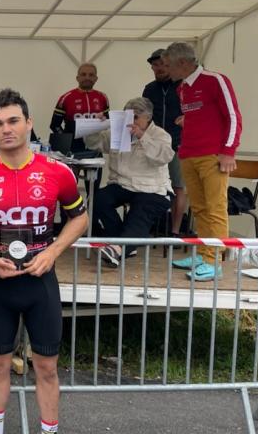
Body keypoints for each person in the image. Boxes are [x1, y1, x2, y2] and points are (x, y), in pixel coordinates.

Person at [0, 89, 88, 434]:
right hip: (0, 284)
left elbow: (79, 217)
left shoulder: (57, 171)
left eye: (13, 120)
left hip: (40, 283)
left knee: (45, 368)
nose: (6, 129)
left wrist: (53, 251)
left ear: (29, 123)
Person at [163, 42, 243, 281]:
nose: (166, 70)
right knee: (198, 208)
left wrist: (228, 151)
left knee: (215, 207)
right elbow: (203, 115)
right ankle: (203, 253)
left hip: (212, 155)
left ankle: (214, 261)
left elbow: (233, 116)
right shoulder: (182, 88)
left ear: (182, 63)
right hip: (188, 154)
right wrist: (187, 121)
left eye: (168, 65)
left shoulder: (215, 80)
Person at [84, 97, 174, 267]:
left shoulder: (160, 135)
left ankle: (118, 249)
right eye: (127, 116)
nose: (131, 121)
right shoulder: (119, 131)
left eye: (135, 117)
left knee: (140, 212)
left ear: (148, 117)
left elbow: (163, 157)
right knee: (97, 200)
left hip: (152, 187)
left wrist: (142, 136)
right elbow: (95, 144)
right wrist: (95, 127)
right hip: (122, 184)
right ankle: (123, 244)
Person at [142, 48, 188, 235]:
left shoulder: (183, 86)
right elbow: (143, 115)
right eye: (155, 64)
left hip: (178, 145)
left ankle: (174, 233)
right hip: (154, 146)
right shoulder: (149, 89)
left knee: (178, 187)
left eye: (162, 64)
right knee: (149, 186)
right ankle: (150, 228)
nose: (159, 68)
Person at [50, 62, 110, 153]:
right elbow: (55, 125)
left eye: (91, 75)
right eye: (83, 74)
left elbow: (108, 122)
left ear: (96, 78)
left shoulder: (103, 97)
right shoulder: (66, 98)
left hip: (96, 147)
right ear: (77, 78)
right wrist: (66, 139)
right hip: (72, 148)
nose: (87, 77)